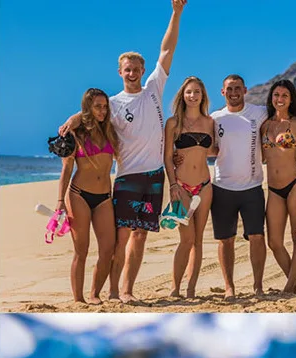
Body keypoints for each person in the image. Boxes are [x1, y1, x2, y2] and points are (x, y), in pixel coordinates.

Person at [60, 0, 186, 303]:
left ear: (143, 70)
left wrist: (176, 13)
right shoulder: (113, 105)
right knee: (122, 237)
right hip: (127, 177)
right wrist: (74, 118)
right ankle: (113, 291)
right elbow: (91, 114)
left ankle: (127, 290)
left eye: (136, 69)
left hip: (154, 176)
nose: (132, 73)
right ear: (120, 72)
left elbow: (167, 50)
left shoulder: (154, 88)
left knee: (141, 236)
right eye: (127, 69)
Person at [56, 88, 120, 304]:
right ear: (88, 108)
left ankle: (95, 294)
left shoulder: (110, 131)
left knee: (108, 248)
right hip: (79, 196)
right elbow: (66, 170)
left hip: (104, 198)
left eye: (105, 107)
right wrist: (60, 202)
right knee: (81, 250)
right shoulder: (75, 135)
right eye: (97, 107)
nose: (102, 111)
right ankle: (78, 299)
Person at [210, 75, 269, 299]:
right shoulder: (215, 118)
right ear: (222, 92)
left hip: (252, 187)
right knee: (225, 240)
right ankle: (229, 287)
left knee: (257, 236)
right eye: (229, 89)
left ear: (245, 90)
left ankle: (258, 286)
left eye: (237, 88)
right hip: (222, 187)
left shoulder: (259, 112)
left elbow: (285, 115)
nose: (233, 92)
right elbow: (205, 146)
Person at [261, 79, 296, 294]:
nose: (280, 99)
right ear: (271, 98)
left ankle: (289, 287)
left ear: (291, 99)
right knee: (274, 242)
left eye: (284, 95)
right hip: (274, 189)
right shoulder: (265, 125)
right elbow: (258, 157)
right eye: (276, 95)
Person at [164, 77, 214, 297]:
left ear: (203, 96)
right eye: (189, 92)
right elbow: (167, 157)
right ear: (182, 96)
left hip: (204, 186)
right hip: (182, 187)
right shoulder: (173, 123)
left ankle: (191, 289)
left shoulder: (210, 122)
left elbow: (214, 150)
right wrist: (173, 184)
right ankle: (175, 288)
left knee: (198, 240)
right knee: (186, 239)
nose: (193, 96)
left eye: (197, 92)